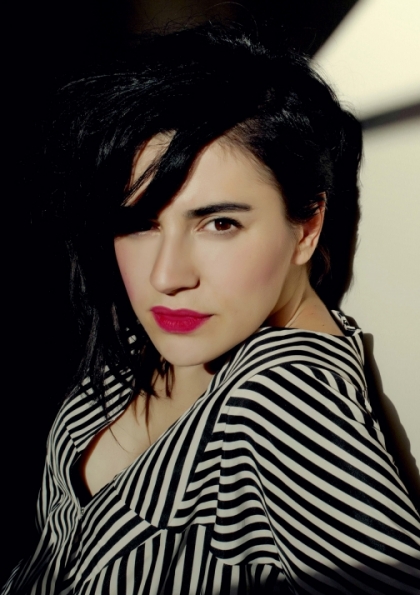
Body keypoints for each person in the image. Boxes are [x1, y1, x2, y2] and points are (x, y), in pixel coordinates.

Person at [3, 22, 420, 595]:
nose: (166, 276)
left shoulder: (282, 400)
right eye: (140, 224)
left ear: (307, 226)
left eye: (219, 223)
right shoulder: (169, 337)